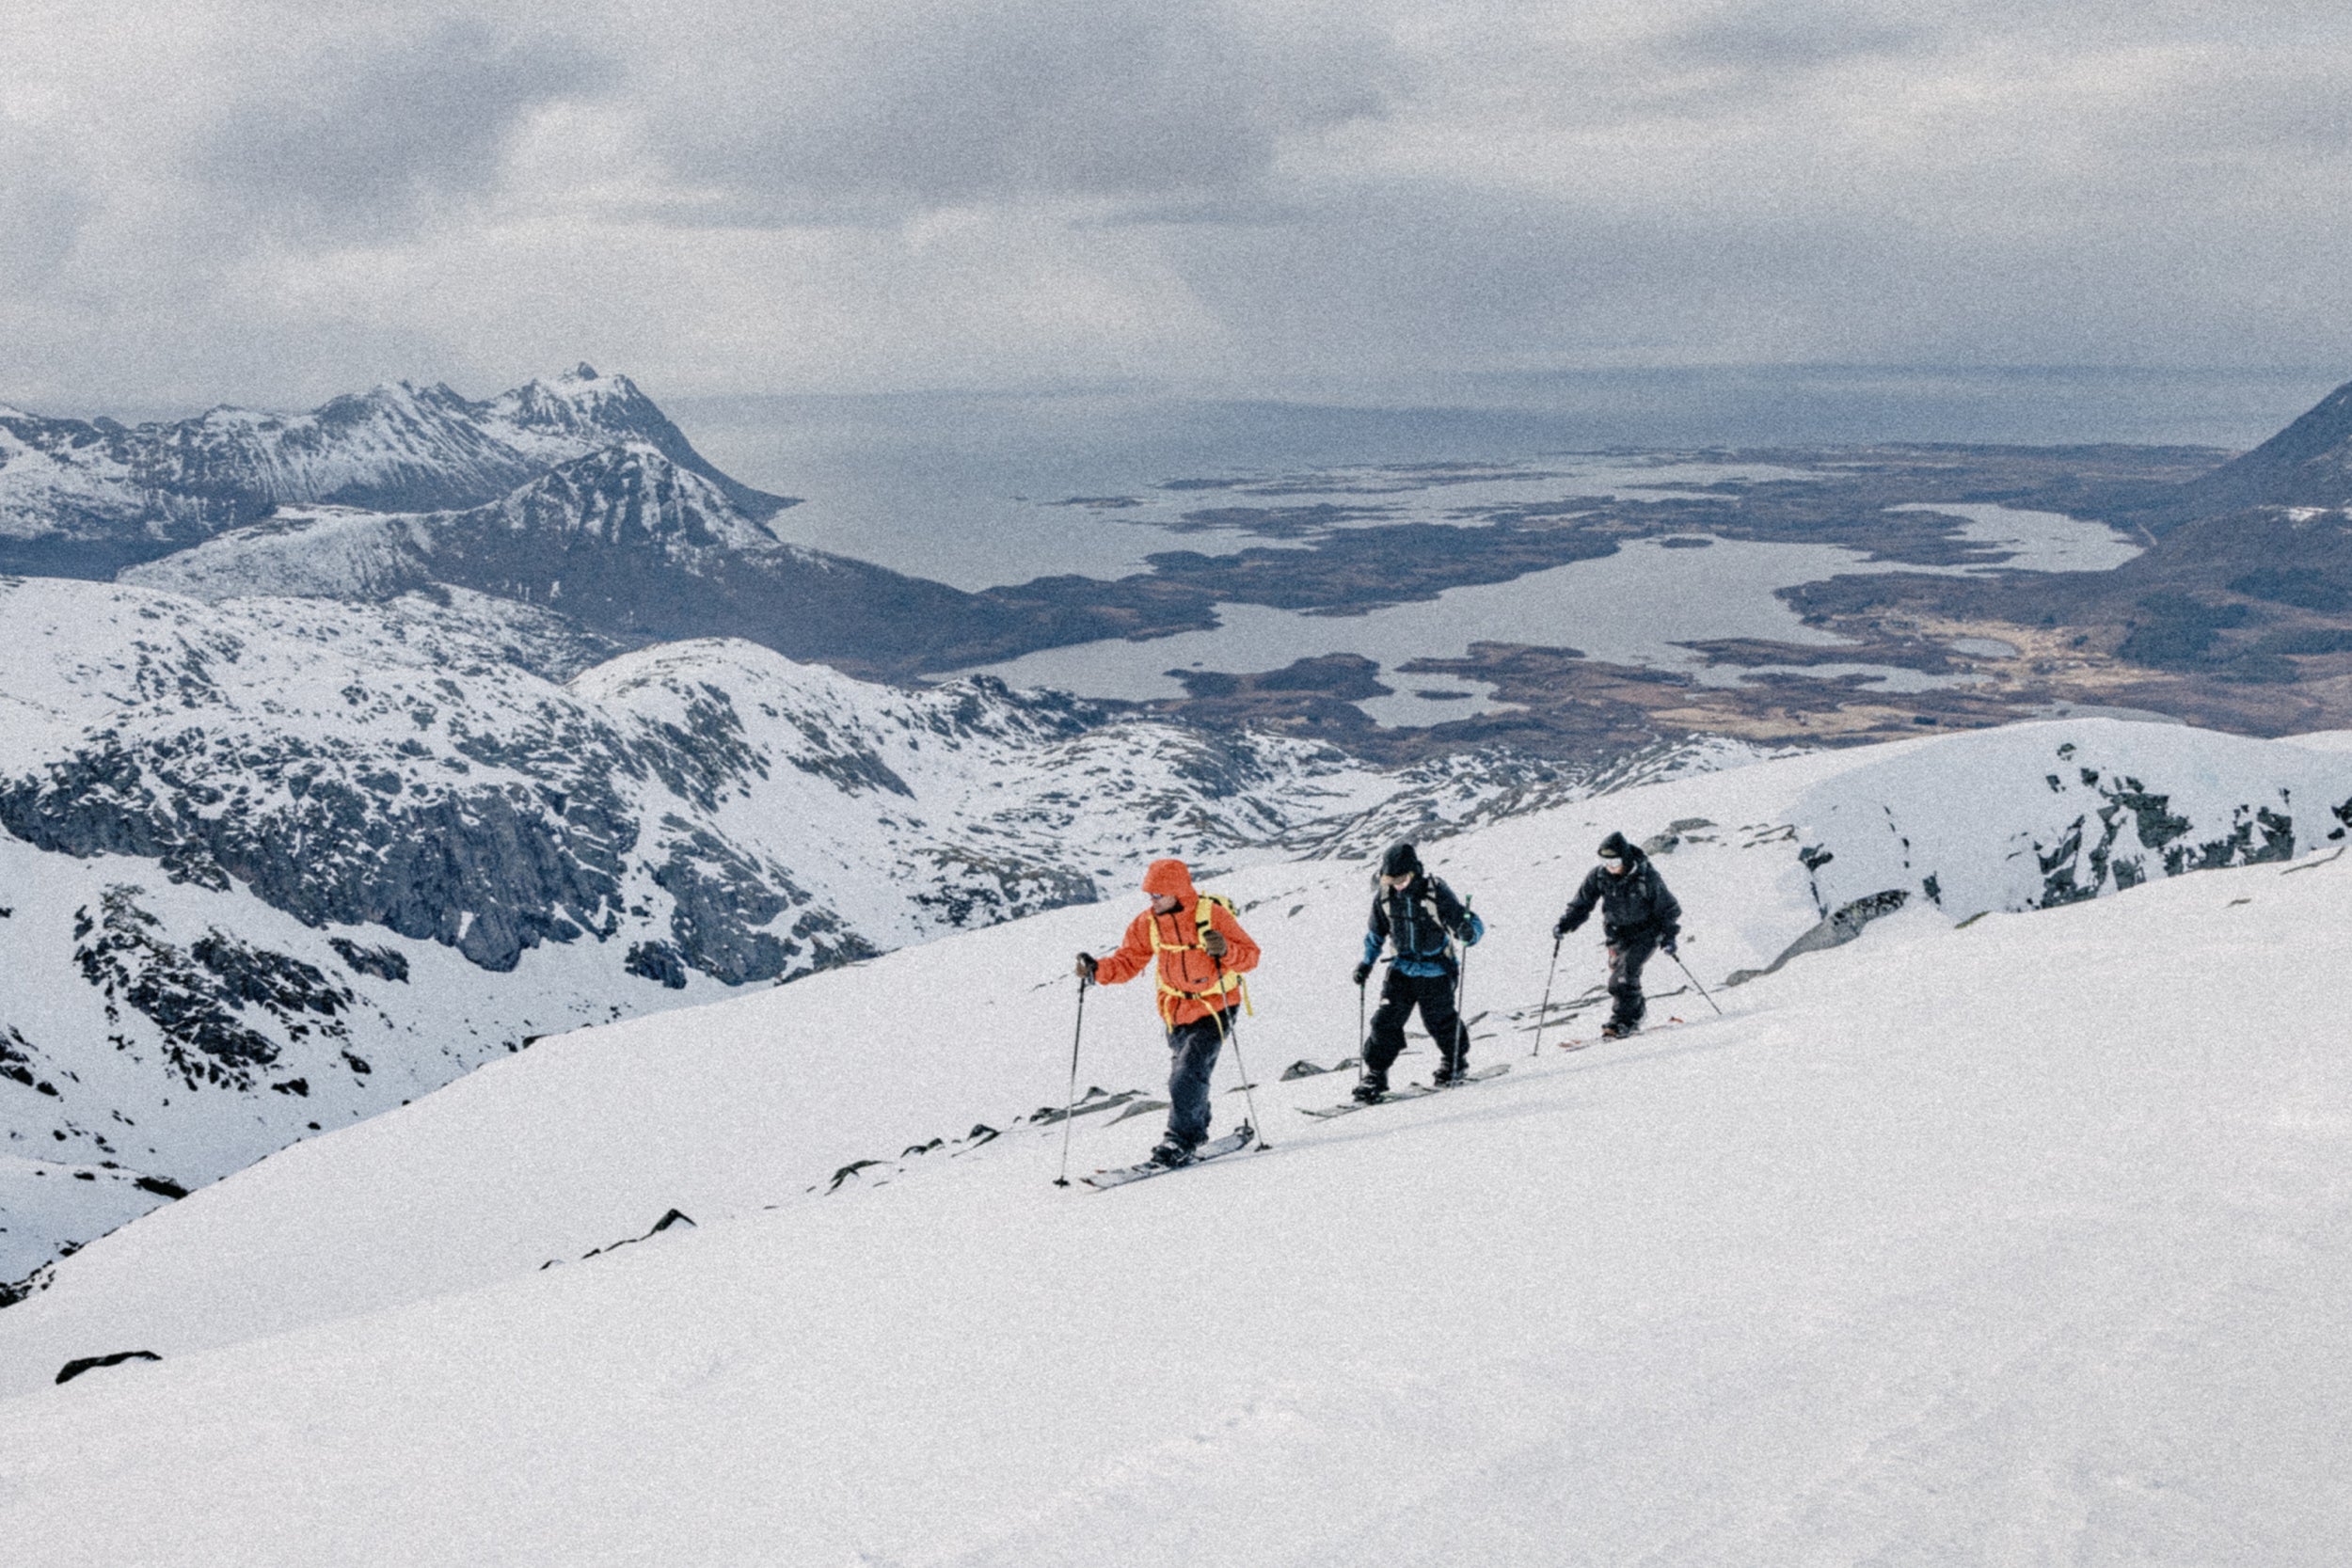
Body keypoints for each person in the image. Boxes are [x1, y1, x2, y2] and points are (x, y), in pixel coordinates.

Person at [1074, 858, 1262, 1167]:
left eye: (1158, 894)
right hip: (1174, 1010)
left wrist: (1226, 950)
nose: (1153, 900)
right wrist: (1096, 970)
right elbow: (1128, 960)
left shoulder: (1211, 915)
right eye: (1150, 894)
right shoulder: (1147, 923)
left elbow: (1250, 957)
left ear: (1176, 891)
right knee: (1186, 1074)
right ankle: (1194, 1123)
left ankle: (1180, 1140)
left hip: (1216, 1006)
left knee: (1187, 1074)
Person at [1351, 842, 1485, 1101]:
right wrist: (1366, 964)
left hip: (1436, 968)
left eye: (1401, 879)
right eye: (1390, 879)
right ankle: (1376, 1074)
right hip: (1401, 968)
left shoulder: (1435, 892)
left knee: (1439, 1019)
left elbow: (1466, 921)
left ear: (1414, 872)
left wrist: (1468, 933)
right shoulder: (1384, 898)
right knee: (1385, 1021)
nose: (1396, 885)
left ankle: (1454, 1060)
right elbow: (1376, 934)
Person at [1554, 831, 1682, 1038]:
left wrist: (1669, 937)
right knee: (1621, 975)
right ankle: (1637, 1010)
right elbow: (1583, 903)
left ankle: (1623, 1021)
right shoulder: (1599, 876)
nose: (1610, 866)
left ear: (1625, 857)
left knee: (1624, 976)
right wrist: (1566, 924)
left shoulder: (1646, 877)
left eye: (1614, 861)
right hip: (1617, 935)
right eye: (1605, 861)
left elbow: (1668, 909)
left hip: (1647, 932)